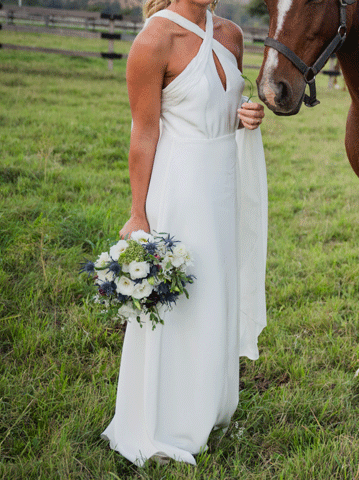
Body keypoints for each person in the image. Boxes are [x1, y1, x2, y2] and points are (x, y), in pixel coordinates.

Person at [101, 0, 268, 466]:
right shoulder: (154, 40)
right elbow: (143, 132)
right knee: (183, 302)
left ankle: (208, 407)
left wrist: (247, 115)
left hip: (223, 183)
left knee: (217, 293)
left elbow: (223, 105)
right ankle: (166, 419)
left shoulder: (232, 34)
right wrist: (138, 213)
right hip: (179, 188)